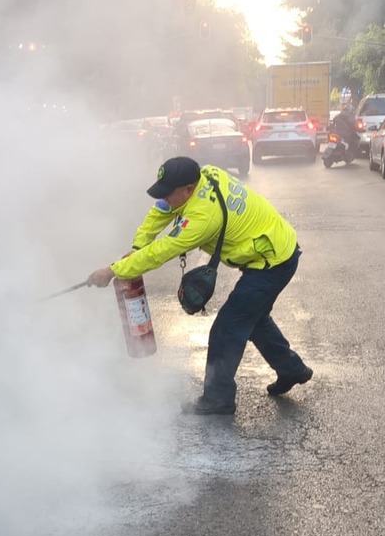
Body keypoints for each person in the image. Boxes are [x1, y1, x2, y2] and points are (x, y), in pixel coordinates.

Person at [87, 157, 312, 415]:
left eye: (169, 194)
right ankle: (292, 369)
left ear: (188, 190)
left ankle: (218, 399)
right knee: (253, 318)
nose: (166, 199)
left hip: (273, 261)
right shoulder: (205, 173)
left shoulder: (203, 217)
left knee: (228, 327)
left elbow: (162, 251)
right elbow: (159, 212)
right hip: (271, 248)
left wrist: (113, 270)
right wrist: (138, 247)